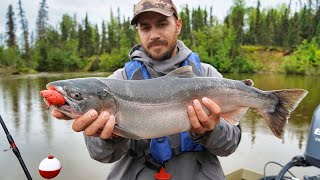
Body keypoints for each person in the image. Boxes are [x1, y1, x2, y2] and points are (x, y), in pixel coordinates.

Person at [52, 0, 241, 179]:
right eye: (145, 27)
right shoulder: (117, 81)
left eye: (162, 24)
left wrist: (210, 131)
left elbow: (230, 145)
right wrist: (110, 139)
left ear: (178, 25)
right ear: (138, 31)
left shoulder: (208, 75)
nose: (154, 35)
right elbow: (100, 155)